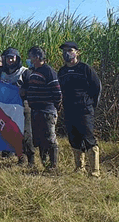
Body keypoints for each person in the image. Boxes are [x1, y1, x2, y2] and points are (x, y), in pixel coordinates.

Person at [57, 41, 102, 177]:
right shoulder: (62, 71)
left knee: (88, 139)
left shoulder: (85, 69)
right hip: (69, 110)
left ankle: (95, 171)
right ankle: (79, 168)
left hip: (85, 110)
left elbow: (97, 88)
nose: (67, 53)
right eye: (64, 51)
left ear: (77, 52)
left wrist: (90, 105)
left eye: (70, 50)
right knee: (74, 139)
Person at [0, 48, 35, 165]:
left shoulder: (24, 72)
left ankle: (30, 159)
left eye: (12, 57)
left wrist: (24, 91)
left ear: (17, 58)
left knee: (26, 134)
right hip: (6, 107)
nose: (10, 60)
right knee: (8, 131)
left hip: (22, 106)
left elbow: (33, 88)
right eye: (8, 58)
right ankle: (16, 157)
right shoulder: (1, 73)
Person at [22, 46, 62, 171]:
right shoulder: (33, 71)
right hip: (35, 110)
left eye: (31, 57)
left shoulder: (48, 71)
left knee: (50, 137)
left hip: (47, 110)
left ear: (37, 57)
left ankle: (54, 165)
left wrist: (56, 106)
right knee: (39, 139)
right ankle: (45, 163)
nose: (29, 59)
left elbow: (57, 91)